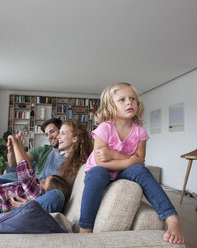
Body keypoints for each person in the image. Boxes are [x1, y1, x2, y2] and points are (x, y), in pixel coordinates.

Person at [78, 82, 185, 244]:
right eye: (122, 100)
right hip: (100, 170)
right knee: (97, 173)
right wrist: (128, 160)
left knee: (140, 171)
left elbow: (139, 161)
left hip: (123, 171)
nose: (129, 102)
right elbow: (101, 162)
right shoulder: (104, 128)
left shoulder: (140, 132)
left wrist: (113, 154)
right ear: (110, 107)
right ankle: (85, 229)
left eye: (132, 99)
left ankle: (172, 219)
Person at [0, 118, 62, 195]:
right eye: (46, 134)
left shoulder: (65, 156)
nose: (49, 136)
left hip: (33, 188)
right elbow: (13, 164)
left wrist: (18, 145)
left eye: (52, 131)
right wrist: (11, 150)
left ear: (61, 131)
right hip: (24, 182)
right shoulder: (41, 150)